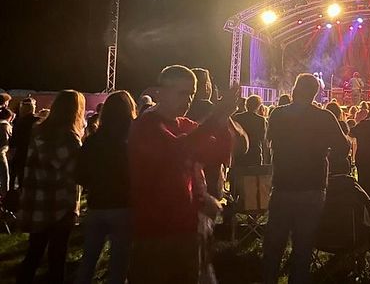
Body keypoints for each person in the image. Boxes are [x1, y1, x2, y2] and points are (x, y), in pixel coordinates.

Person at [127, 65, 240, 284]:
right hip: (155, 232)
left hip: (186, 228)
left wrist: (224, 119)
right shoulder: (147, 125)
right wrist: (215, 118)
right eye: (182, 93)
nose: (188, 100)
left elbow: (218, 153)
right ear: (160, 92)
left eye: (191, 94)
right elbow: (176, 150)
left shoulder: (184, 125)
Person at [263, 73, 349, 284]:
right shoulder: (324, 117)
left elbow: (269, 142)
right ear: (315, 94)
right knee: (303, 247)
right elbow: (344, 148)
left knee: (273, 246)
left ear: (294, 89)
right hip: (312, 187)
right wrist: (324, 151)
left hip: (282, 185)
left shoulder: (277, 114)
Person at [17, 90, 85, 284]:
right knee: (57, 258)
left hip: (37, 201)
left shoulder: (39, 131)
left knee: (34, 253)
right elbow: (75, 171)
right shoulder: (71, 139)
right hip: (61, 202)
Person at [74, 91, 136, 284]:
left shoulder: (93, 141)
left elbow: (79, 174)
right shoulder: (133, 141)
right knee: (119, 264)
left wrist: (94, 185)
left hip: (97, 205)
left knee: (88, 260)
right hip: (124, 206)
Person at [8, 97, 38, 191]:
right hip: (33, 152)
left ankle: (12, 196)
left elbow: (14, 140)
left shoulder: (18, 122)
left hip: (20, 152)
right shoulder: (38, 121)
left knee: (16, 176)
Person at [233, 94, 268, 166]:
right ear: (258, 106)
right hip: (255, 151)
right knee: (254, 174)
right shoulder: (260, 120)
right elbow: (262, 137)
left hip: (240, 151)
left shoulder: (237, 117)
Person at [0, 107, 14, 197]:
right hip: (1, 154)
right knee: (5, 178)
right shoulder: (5, 126)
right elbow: (7, 142)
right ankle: (5, 198)